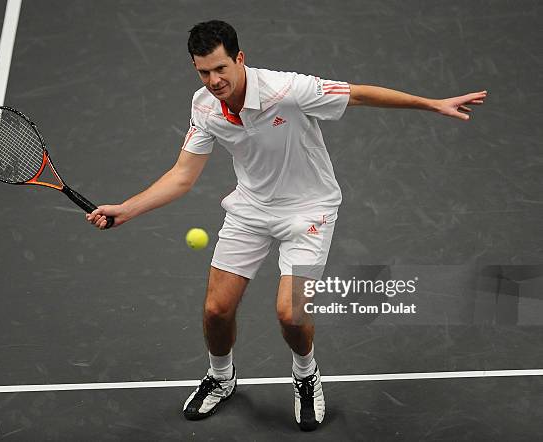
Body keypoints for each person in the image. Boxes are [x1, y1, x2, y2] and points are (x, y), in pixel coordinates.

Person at [86, 20, 486, 431]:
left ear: (240, 58)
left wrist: (432, 103)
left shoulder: (288, 90)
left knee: (291, 314)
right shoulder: (203, 105)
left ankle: (306, 374)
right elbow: (183, 175)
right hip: (250, 210)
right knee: (216, 309)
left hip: (309, 212)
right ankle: (221, 377)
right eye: (203, 72)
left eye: (221, 68)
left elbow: (360, 94)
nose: (214, 80)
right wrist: (128, 209)